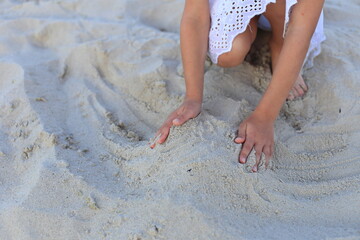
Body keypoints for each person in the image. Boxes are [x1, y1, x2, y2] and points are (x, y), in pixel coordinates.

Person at [150, 0, 326, 172]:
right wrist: (192, 98)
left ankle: (280, 42)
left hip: (287, 8)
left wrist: (264, 117)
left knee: (286, 17)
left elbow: (300, 30)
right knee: (230, 53)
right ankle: (249, 22)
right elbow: (195, 17)